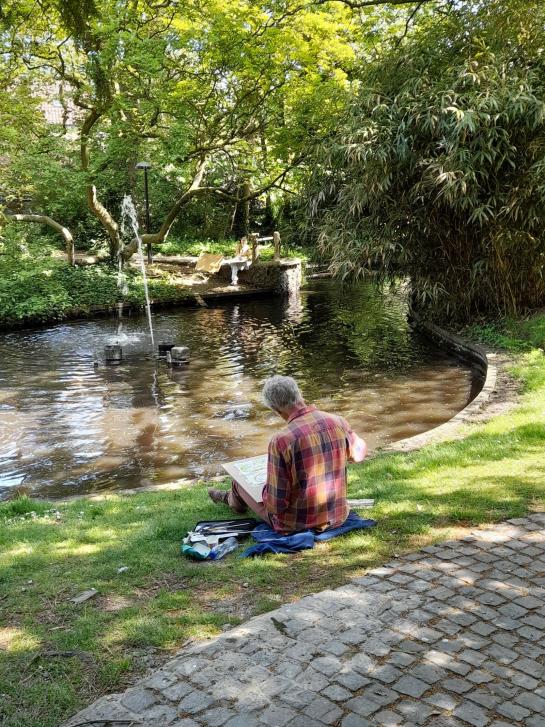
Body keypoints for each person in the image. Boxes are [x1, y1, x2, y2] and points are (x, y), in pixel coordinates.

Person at [208, 375, 367, 534]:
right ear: (299, 394)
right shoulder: (338, 421)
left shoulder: (282, 441)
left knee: (239, 481)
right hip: (337, 515)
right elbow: (358, 455)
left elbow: (276, 505)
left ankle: (231, 499)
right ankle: (230, 498)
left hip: (295, 524)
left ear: (276, 410)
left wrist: (265, 488)